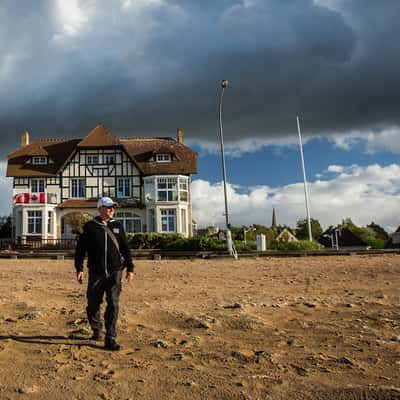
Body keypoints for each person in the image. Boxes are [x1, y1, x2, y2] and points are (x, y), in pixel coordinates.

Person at [74, 196, 135, 351]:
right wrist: (79, 268)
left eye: (113, 207)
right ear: (99, 208)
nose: (112, 210)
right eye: (108, 207)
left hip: (115, 273)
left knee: (113, 304)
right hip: (96, 273)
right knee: (92, 304)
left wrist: (130, 268)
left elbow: (126, 248)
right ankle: (96, 329)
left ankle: (111, 338)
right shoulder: (90, 227)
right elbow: (80, 250)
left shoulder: (118, 226)